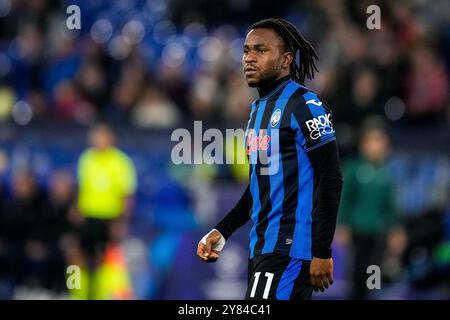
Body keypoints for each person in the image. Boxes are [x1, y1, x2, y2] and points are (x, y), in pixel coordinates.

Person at [197, 18, 343, 300]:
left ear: (286, 59)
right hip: (262, 247)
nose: (249, 59)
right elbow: (259, 186)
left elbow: (331, 177)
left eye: (261, 51)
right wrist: (223, 231)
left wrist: (322, 250)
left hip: (289, 249)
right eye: (246, 51)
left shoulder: (306, 105)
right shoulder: (256, 111)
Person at [336, 121, 406, 299]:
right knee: (357, 269)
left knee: (373, 269)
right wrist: (342, 225)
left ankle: (371, 295)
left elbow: (390, 205)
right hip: (358, 230)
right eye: (373, 140)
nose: (378, 145)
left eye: (381, 141)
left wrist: (396, 229)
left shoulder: (386, 173)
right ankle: (356, 295)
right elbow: (345, 199)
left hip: (378, 231)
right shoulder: (354, 168)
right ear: (363, 144)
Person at [75, 123, 137, 299]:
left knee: (109, 259)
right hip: (88, 217)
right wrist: (77, 210)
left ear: (111, 138)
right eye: (95, 135)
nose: (97, 139)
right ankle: (81, 293)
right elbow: (81, 188)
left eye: (101, 135)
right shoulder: (86, 158)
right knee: (82, 258)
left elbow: (127, 195)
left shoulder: (121, 161)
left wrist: (121, 222)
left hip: (110, 218)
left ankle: (110, 294)